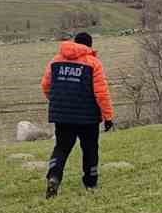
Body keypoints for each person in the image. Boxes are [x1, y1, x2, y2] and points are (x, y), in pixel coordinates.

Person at [41, 31, 115, 197]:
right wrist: (108, 116)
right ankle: (91, 183)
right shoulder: (93, 63)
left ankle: (54, 176)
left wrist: (59, 103)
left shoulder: (56, 61)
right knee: (90, 148)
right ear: (89, 45)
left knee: (61, 147)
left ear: (75, 43)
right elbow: (101, 93)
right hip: (88, 116)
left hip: (62, 116)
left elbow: (46, 85)